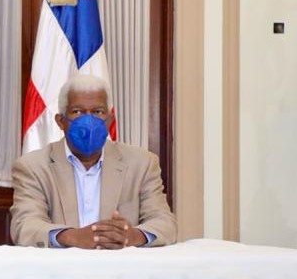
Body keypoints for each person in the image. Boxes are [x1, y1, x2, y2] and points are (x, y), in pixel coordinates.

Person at [10, 74, 176, 249]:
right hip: (62, 265)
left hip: (120, 264)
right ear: (61, 121)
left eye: (98, 112)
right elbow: (25, 225)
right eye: (77, 111)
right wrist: (72, 237)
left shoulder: (142, 164)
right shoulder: (33, 167)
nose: (88, 121)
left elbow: (165, 223)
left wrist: (131, 236)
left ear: (110, 120)